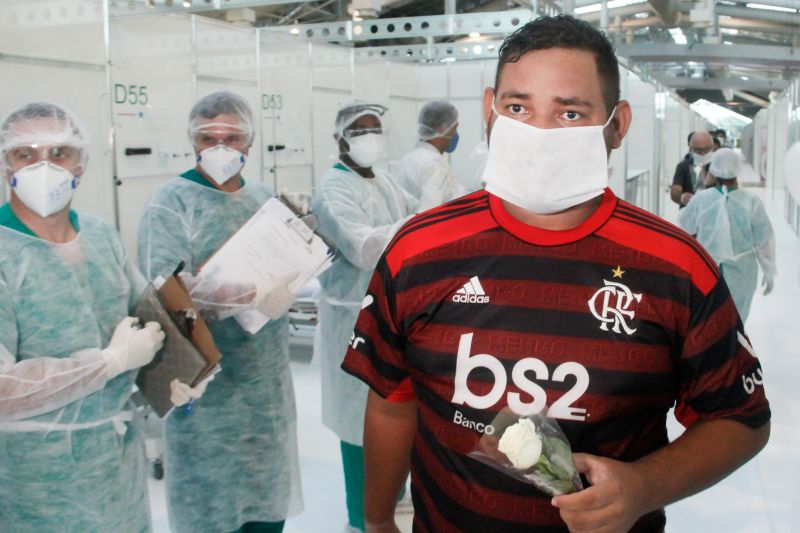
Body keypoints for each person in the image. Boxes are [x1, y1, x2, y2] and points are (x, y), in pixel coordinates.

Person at [342, 15, 770, 533]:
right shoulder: (419, 250)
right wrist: (378, 520)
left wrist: (643, 486)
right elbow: (392, 398)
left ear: (617, 125)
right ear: (489, 111)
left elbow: (740, 417)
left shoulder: (675, 268)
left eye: (570, 113)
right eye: (518, 108)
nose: (538, 133)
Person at [138, 91, 303, 533]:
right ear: (193, 142)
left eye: (232, 138)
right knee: (210, 512)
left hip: (265, 388)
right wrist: (251, 292)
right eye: (209, 138)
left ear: (250, 144)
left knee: (266, 508)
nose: (221, 149)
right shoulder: (170, 203)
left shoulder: (265, 199)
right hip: (202, 393)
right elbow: (168, 297)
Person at [0, 102, 165, 531]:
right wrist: (107, 362)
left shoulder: (99, 235)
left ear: (81, 163)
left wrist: (173, 380)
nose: (44, 167)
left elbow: (144, 318)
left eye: (59, 153)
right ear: (5, 165)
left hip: (117, 464)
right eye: (25, 154)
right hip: (36, 483)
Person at [312, 101, 432, 533]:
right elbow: (363, 247)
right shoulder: (332, 188)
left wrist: (423, 216)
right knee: (357, 421)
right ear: (340, 138)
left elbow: (413, 221)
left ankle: (388, 499)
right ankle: (361, 518)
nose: (369, 138)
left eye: (375, 129)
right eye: (359, 130)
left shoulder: (381, 179)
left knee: (391, 409)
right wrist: (418, 221)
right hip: (351, 319)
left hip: (388, 310)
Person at [679, 148, 776, 322]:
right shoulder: (751, 202)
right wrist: (768, 271)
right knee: (737, 322)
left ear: (713, 170)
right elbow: (764, 241)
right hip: (743, 274)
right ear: (738, 170)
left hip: (706, 269)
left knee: (707, 323)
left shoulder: (701, 200)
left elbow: (684, 230)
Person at [397, 100, 466, 203]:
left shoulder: (410, 158)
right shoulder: (434, 165)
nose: (456, 134)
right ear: (442, 129)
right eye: (454, 129)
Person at [671, 131, 714, 207]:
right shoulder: (684, 166)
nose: (703, 154)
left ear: (712, 146)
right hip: (690, 213)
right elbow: (675, 192)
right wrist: (681, 197)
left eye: (707, 149)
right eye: (698, 150)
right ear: (691, 148)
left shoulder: (718, 164)